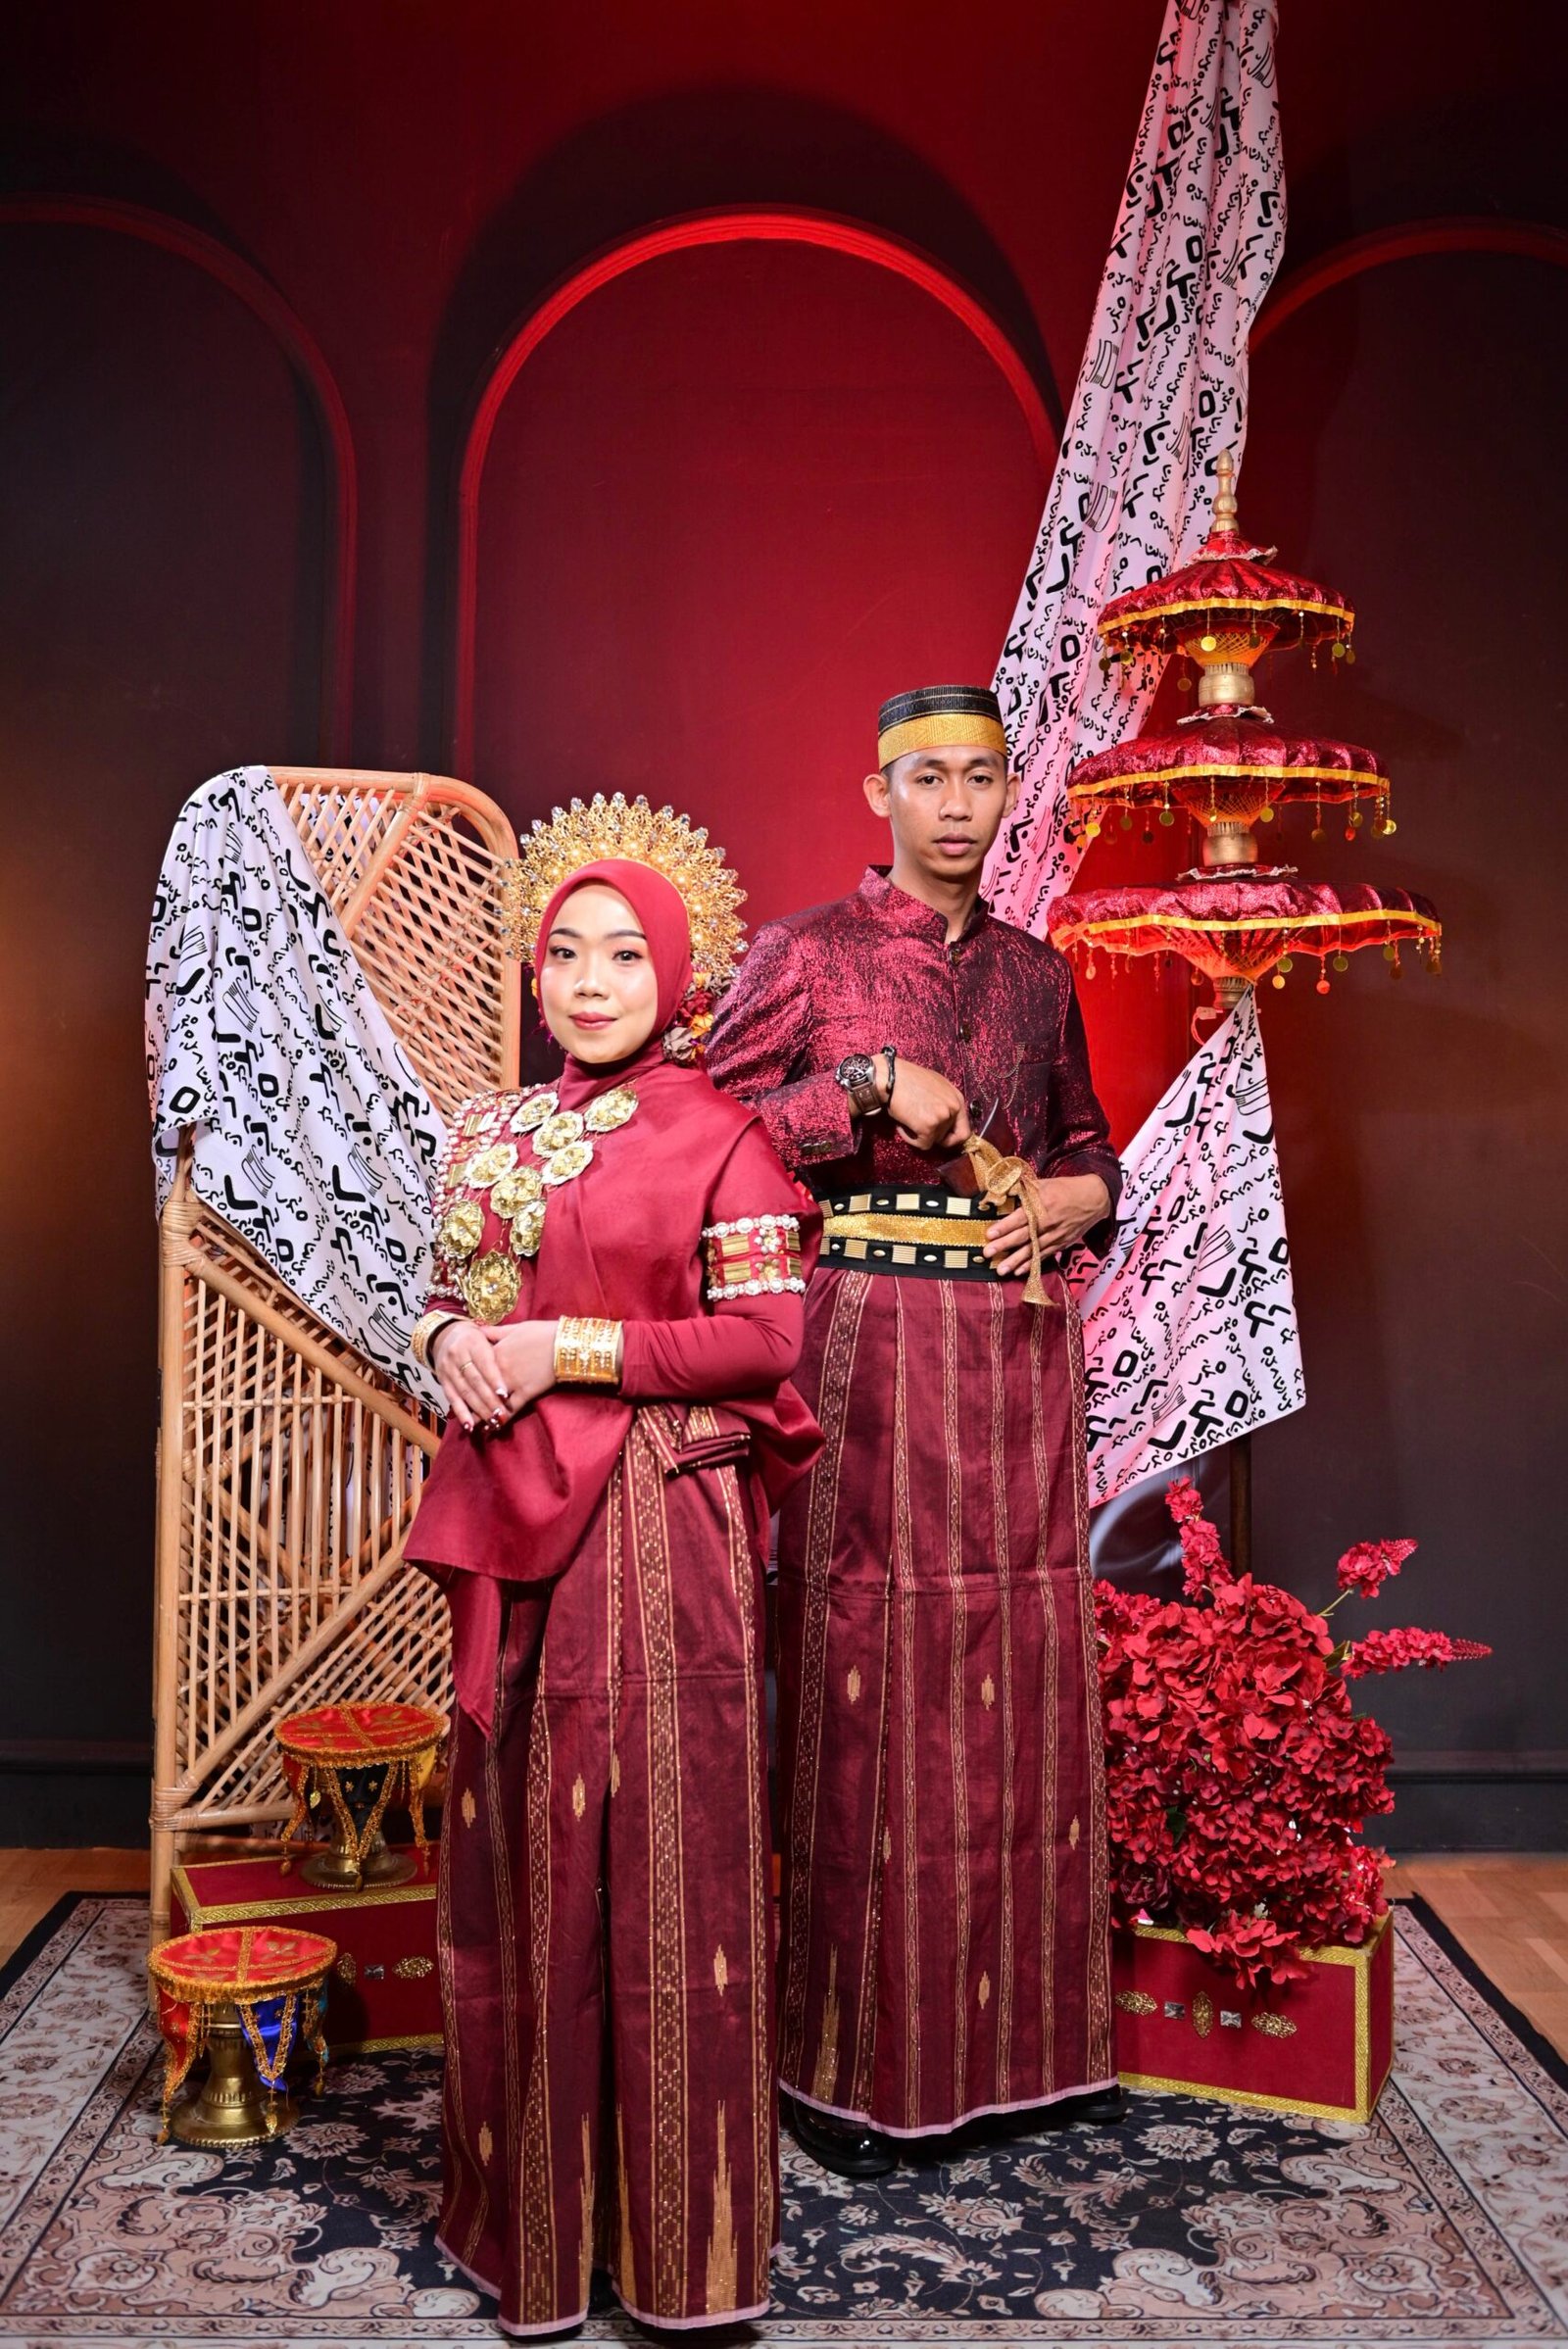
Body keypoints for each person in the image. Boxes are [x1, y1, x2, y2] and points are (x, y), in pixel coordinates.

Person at [404, 799, 821, 2333]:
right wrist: (446, 1338)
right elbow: (452, 1291)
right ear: (536, 970)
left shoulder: (730, 1137)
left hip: (655, 1534)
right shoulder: (492, 1130)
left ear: (679, 969)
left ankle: (677, 2246)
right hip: (515, 1522)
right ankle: (539, 2220)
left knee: (664, 1871)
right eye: (566, 952)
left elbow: (764, 1342)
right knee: (523, 1856)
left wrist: (558, 1349)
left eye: (625, 953)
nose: (589, 981)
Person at [706, 685, 1124, 2177]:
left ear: (1011, 793)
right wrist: (870, 1084)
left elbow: (1089, 1147)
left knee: (1021, 1685)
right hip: (868, 1353)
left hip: (1017, 1354)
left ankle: (1030, 2058)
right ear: (876, 791)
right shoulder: (808, 953)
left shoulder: (1037, 973)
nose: (956, 804)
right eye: (927, 777)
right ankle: (851, 2069)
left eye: (982, 777)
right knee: (869, 1682)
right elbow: (709, 1135)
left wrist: (1079, 1194)